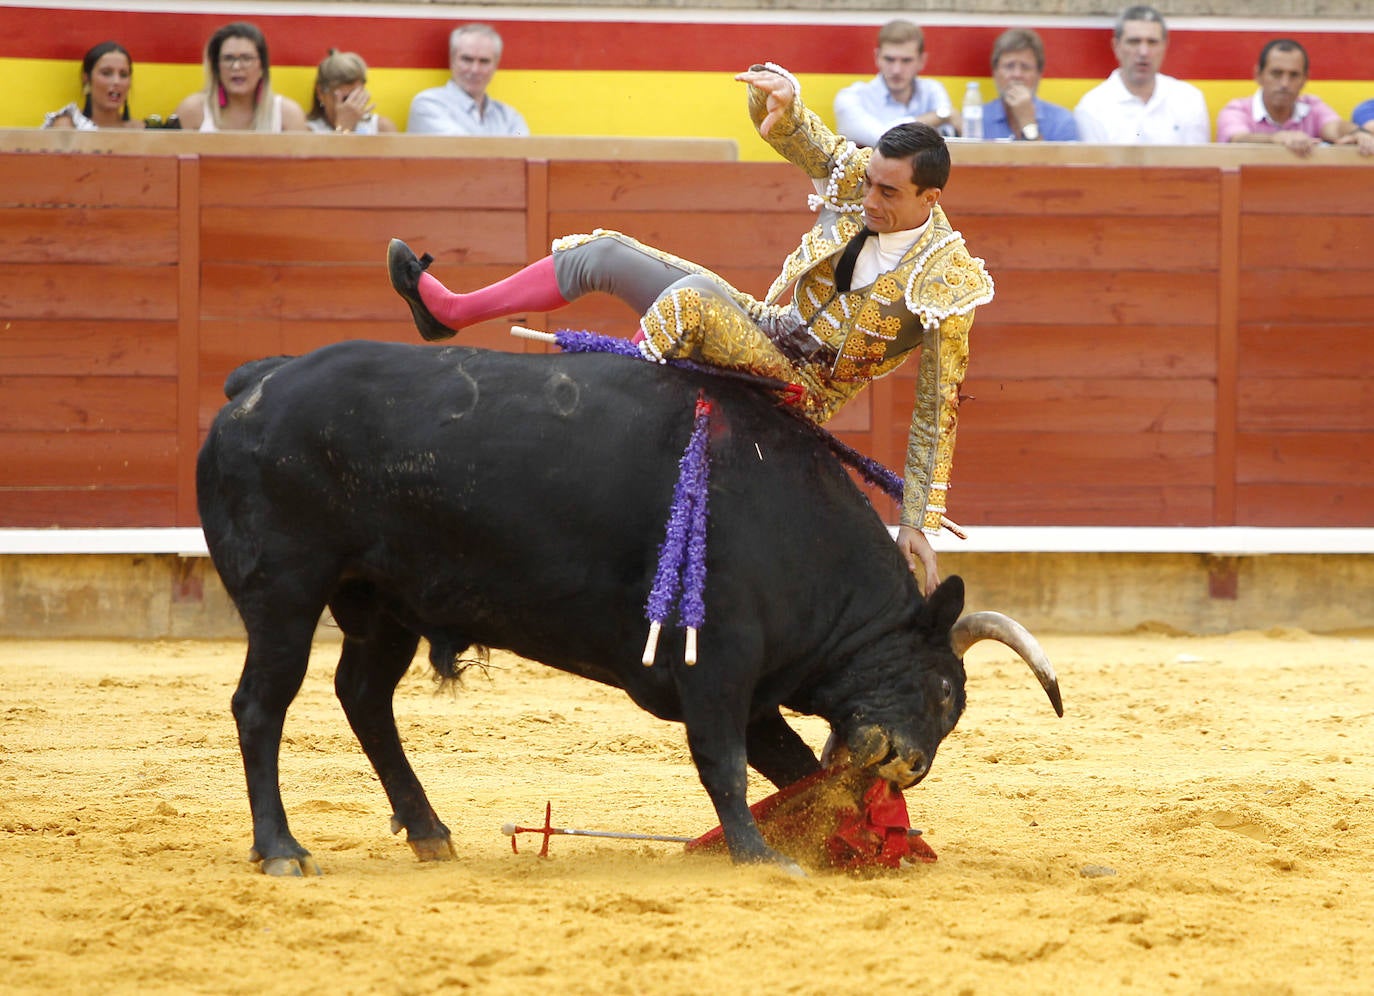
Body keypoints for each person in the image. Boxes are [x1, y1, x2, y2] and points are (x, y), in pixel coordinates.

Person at [387, 63, 994, 594]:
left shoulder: (946, 279)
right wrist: (782, 104)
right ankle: (453, 313)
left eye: (887, 192)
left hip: (801, 389)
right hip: (769, 328)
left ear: (929, 197)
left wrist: (915, 519)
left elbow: (936, 407)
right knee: (604, 253)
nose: (868, 198)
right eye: (867, 183)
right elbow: (815, 145)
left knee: (694, 304)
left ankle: (598, 431)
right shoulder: (867, 179)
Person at [1074, 5, 1210, 144]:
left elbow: (1198, 163)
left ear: (1164, 46)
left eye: (1152, 42)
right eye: (1134, 42)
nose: (1143, 52)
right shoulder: (1092, 107)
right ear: (1116, 46)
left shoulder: (1189, 100)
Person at [1216, 39, 1374, 157]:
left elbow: (1336, 127)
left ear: (1305, 79)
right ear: (1258, 75)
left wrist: (1358, 133)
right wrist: (1276, 139)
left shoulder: (1313, 107)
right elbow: (1238, 139)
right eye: (1276, 74)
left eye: (1294, 75)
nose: (1285, 83)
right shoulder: (1237, 110)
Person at [833, 20, 957, 146]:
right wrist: (940, 116)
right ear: (877, 57)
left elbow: (949, 139)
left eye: (906, 60)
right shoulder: (850, 98)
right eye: (889, 59)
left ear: (921, 61)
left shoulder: (932, 90)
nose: (896, 70)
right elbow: (884, 140)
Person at [174, 21, 307, 132]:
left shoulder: (288, 115)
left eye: (246, 58)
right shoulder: (191, 111)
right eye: (228, 58)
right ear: (216, 67)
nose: (236, 66)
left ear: (262, 67)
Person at [406, 23, 529, 136]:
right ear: (452, 60)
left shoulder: (509, 117)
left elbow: (525, 154)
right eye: (467, 59)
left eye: (484, 61)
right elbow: (463, 151)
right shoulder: (428, 104)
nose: (475, 69)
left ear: (496, 65)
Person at [982, 28, 1079, 142]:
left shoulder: (1061, 121)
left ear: (1039, 74)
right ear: (995, 72)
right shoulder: (976, 119)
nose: (1017, 74)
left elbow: (1055, 160)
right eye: (1009, 66)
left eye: (1025, 67)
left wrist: (1028, 124)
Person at [43, 41, 145, 130]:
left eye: (123, 75)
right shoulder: (69, 126)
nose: (116, 81)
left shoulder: (141, 130)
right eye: (106, 73)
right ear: (86, 78)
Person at [305, 49, 397, 134]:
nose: (350, 106)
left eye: (355, 97)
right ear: (321, 93)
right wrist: (343, 129)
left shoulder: (381, 128)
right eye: (344, 99)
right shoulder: (307, 130)